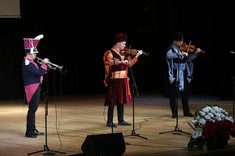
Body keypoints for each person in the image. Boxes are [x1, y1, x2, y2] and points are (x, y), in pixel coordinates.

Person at [103, 33, 143, 127]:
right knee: (112, 101)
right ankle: (109, 121)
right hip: (114, 79)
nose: (125, 46)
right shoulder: (109, 52)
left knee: (121, 100)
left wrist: (136, 56)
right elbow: (109, 61)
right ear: (118, 43)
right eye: (124, 44)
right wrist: (121, 61)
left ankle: (121, 120)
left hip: (123, 79)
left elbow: (129, 64)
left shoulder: (124, 53)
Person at [164, 32, 202, 118]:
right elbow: (169, 56)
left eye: (182, 41)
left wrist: (195, 53)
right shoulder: (171, 49)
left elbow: (188, 60)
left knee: (185, 93)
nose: (181, 43)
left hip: (183, 72)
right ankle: (174, 112)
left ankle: (186, 111)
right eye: (179, 41)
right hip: (174, 72)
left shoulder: (183, 49)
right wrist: (180, 54)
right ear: (174, 41)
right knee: (173, 94)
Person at [22, 34, 49, 138]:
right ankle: (29, 131)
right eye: (34, 53)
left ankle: (32, 128)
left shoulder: (30, 61)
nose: (36, 55)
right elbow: (38, 73)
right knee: (32, 109)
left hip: (35, 86)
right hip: (32, 88)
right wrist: (44, 64)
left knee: (33, 109)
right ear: (29, 53)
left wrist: (45, 66)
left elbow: (39, 73)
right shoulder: (27, 62)